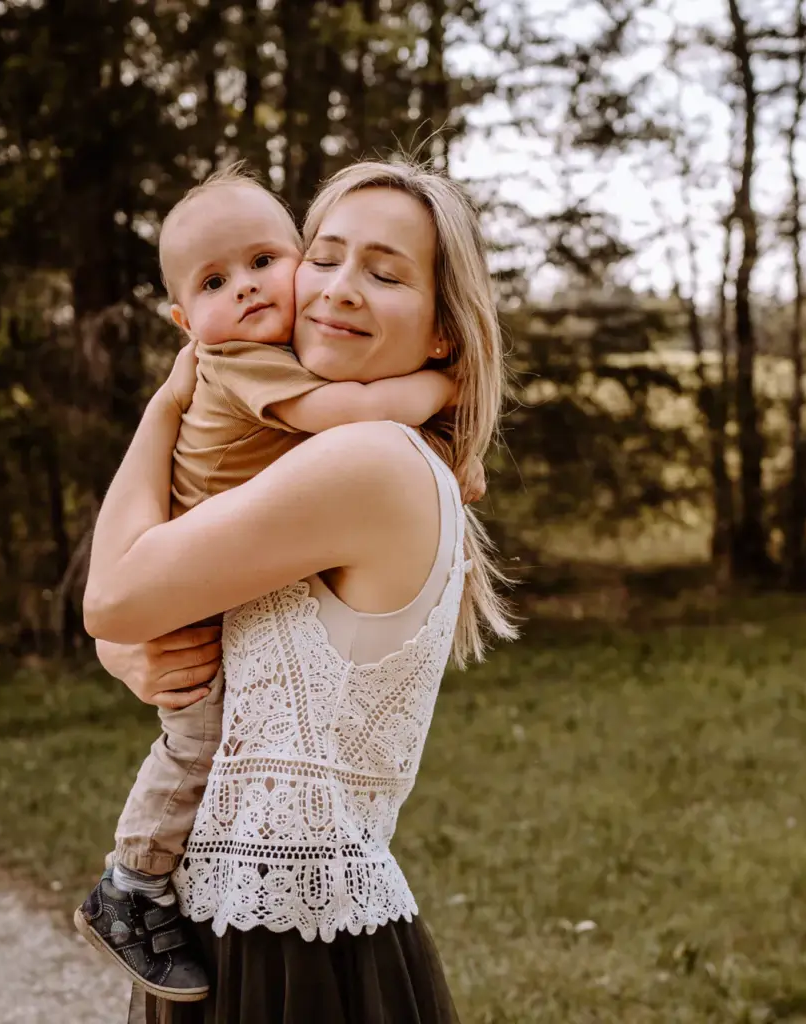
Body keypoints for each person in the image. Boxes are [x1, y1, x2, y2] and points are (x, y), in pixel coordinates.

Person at [84, 157, 516, 1022]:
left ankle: (126, 881)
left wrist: (165, 406)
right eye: (323, 257)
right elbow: (138, 618)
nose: (338, 291)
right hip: (232, 917)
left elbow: (112, 597)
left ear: (442, 332)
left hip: (291, 952)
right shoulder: (334, 446)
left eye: (386, 273)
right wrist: (129, 648)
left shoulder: (367, 457)